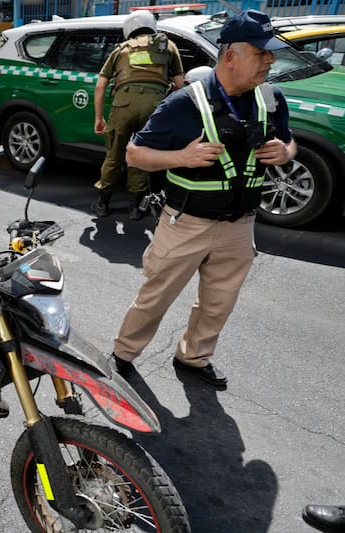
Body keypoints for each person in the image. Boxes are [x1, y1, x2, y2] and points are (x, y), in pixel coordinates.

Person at [109, 9, 297, 388]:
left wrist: (286, 151)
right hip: (186, 223)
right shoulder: (183, 103)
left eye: (270, 53)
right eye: (261, 53)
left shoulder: (271, 98)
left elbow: (290, 142)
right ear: (231, 56)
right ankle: (122, 356)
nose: (270, 60)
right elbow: (134, 154)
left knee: (218, 303)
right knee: (155, 297)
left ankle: (194, 357)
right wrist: (181, 158)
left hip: (240, 226)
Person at [92, 10, 184, 220]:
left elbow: (100, 86)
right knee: (140, 155)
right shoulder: (168, 46)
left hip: (123, 105)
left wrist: (99, 118)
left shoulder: (121, 49)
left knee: (114, 155)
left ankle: (102, 203)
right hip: (154, 106)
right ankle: (135, 207)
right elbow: (180, 86)